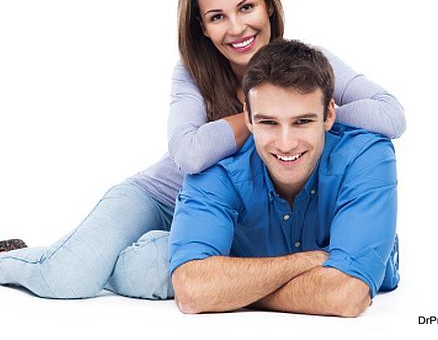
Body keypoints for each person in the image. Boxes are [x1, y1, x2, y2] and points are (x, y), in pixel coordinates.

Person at [0, 0, 405, 300]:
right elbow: (191, 154)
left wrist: (323, 116)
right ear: (201, 26)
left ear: (269, 6)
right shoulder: (191, 74)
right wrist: (255, 119)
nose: (237, 28)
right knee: (70, 277)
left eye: (246, 8)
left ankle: (110, 256)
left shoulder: (311, 63)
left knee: (163, 275)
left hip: (232, 218)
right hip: (160, 197)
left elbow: (391, 116)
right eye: (217, 16)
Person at [169, 38, 399, 317]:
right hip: (165, 207)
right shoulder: (217, 168)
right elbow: (193, 291)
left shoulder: (367, 155)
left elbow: (346, 295)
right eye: (268, 122)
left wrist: (230, 290)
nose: (286, 143)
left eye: (302, 121)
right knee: (145, 269)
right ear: (248, 119)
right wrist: (312, 261)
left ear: (329, 115)